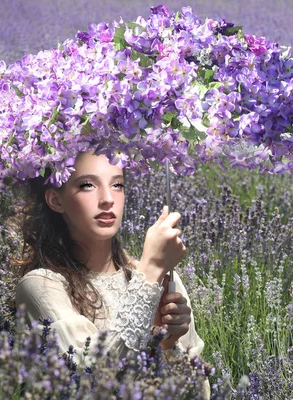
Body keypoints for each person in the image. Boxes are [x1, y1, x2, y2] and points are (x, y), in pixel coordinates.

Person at [13, 150, 210, 398]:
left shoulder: (166, 279)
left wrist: (168, 345)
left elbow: (197, 393)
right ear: (55, 200)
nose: (107, 199)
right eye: (87, 185)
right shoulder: (41, 285)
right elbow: (92, 380)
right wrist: (150, 272)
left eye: (117, 185)